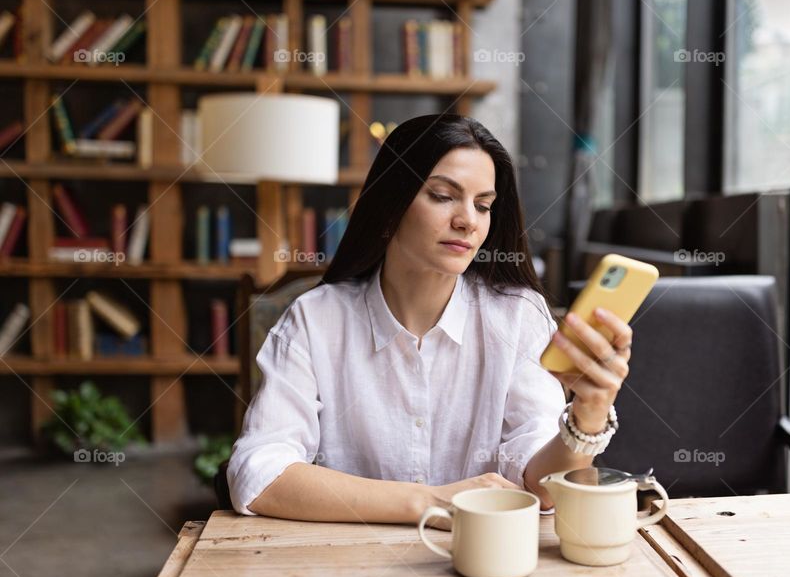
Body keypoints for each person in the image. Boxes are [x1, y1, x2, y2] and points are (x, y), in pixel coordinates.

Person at [227, 114, 633, 527]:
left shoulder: (517, 316)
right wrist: (429, 502)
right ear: (392, 202)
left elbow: (542, 485)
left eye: (483, 205)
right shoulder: (316, 319)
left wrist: (589, 414)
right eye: (442, 196)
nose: (468, 221)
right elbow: (259, 474)